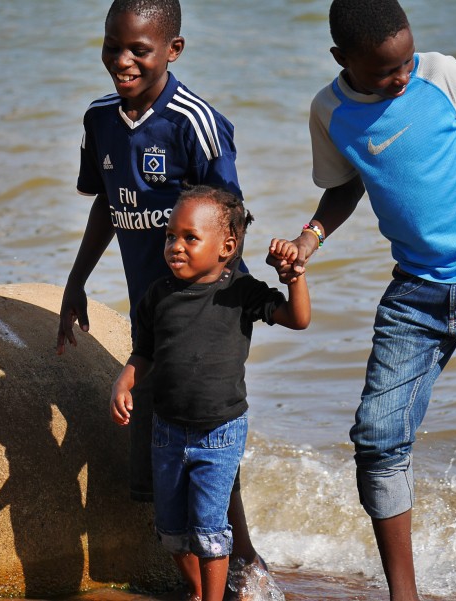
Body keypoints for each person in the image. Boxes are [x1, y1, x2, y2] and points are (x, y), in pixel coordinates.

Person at [269, 0, 456, 599]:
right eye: (386, 71)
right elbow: (344, 187)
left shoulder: (440, 74)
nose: (402, 77)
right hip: (417, 294)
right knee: (377, 438)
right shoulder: (329, 112)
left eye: (406, 62)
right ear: (341, 59)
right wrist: (309, 238)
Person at [55, 0, 278, 593]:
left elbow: (232, 220)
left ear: (172, 50)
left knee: (206, 431)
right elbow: (108, 205)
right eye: (112, 47)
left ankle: (244, 566)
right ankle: (205, 574)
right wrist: (76, 282)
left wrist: (232, 308)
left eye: (139, 50)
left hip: (209, 313)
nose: (122, 61)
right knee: (168, 441)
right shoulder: (99, 119)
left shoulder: (193, 122)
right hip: (151, 313)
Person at [110, 186, 311, 601]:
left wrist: (295, 279)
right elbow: (144, 353)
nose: (175, 246)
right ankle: (197, 590)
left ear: (227, 247)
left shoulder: (241, 291)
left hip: (220, 432)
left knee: (210, 530)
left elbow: (298, 318)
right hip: (167, 430)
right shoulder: (157, 296)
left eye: (190, 237)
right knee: (170, 529)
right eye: (170, 236)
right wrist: (124, 381)